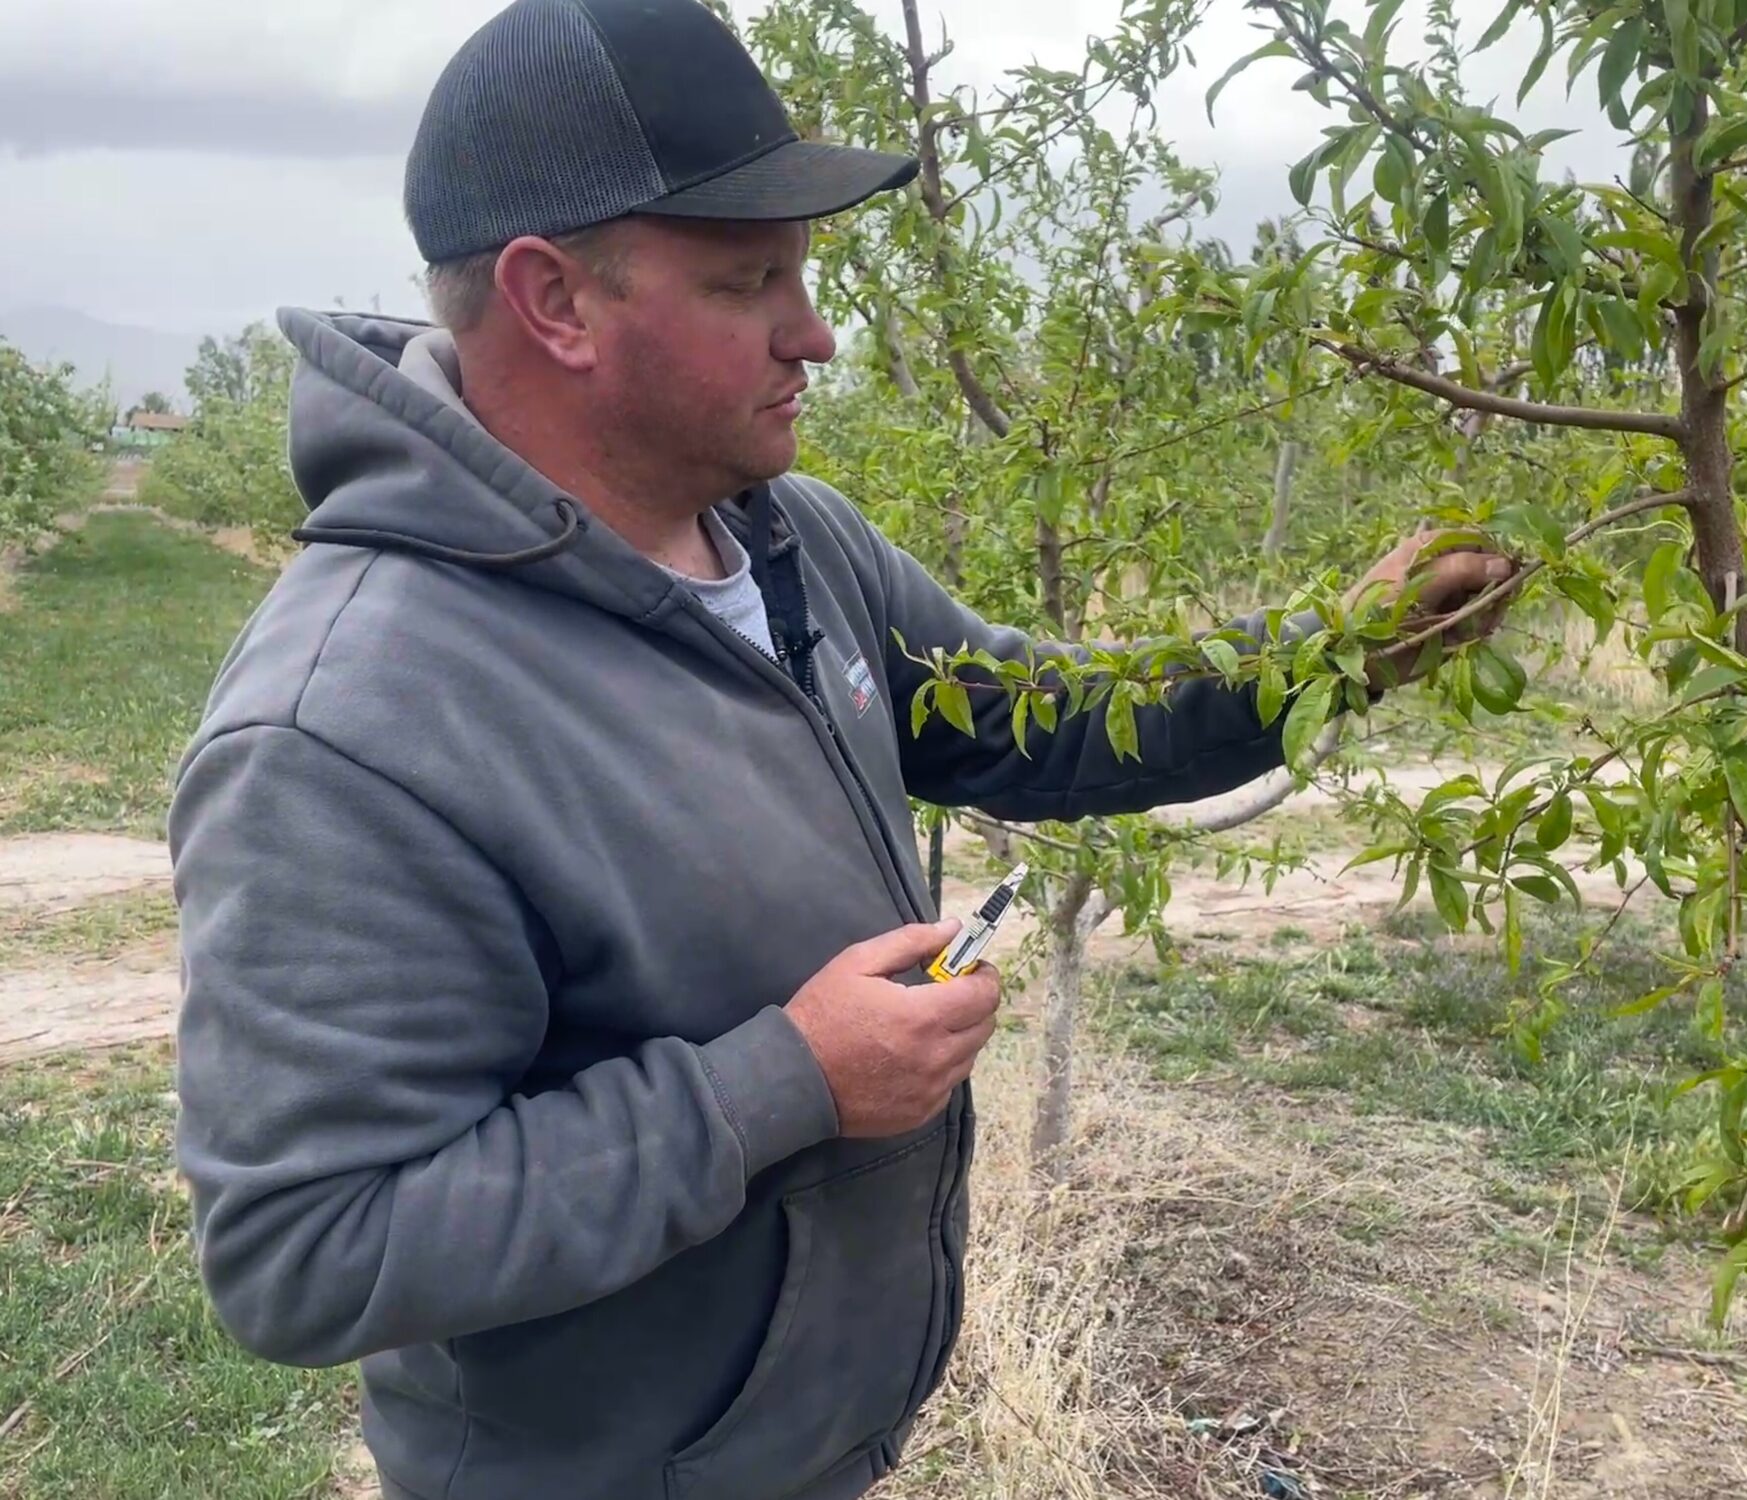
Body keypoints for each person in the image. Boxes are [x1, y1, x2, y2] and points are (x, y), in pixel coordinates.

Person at [168, 2, 1517, 1497]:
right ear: (557, 301)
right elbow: (308, 1250)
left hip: (807, 1452)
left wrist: (1330, 653)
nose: (813, 332)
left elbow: (1038, 718)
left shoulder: (786, 538)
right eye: (751, 280)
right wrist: (787, 1083)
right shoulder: (348, 725)